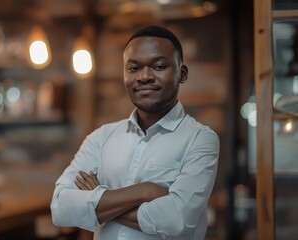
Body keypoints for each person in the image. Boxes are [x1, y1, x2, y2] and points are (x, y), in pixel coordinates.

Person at [50, 25, 219, 240]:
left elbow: (178, 220)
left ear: (182, 74)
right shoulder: (101, 137)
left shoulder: (200, 139)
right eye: (134, 68)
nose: (145, 76)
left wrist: (99, 199)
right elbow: (61, 207)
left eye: (158, 66)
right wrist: (146, 191)